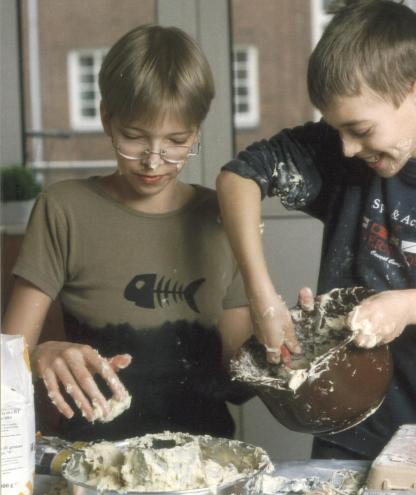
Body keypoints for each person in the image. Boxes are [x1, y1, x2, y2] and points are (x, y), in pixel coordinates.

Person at [216, 0, 416, 461]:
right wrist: (262, 296)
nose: (347, 149)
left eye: (360, 129)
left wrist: (408, 305)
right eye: (337, 131)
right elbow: (237, 178)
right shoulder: (345, 151)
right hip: (345, 430)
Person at [2, 24, 253, 442]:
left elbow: (240, 381)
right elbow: (7, 360)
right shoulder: (64, 208)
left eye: (176, 141)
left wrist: (283, 354)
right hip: (93, 456)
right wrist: (42, 353)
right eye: (134, 138)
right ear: (106, 118)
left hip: (208, 458)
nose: (154, 161)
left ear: (198, 128)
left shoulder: (222, 215)